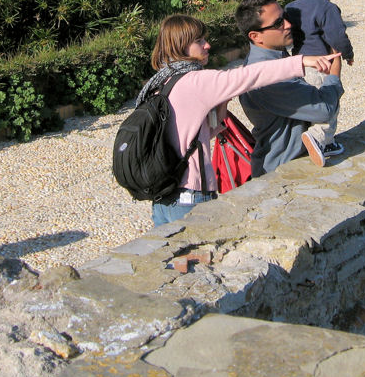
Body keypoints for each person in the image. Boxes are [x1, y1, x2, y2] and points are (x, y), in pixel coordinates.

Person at [140, 13, 337, 226]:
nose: (207, 45)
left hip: (162, 197)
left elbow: (197, 132)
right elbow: (249, 75)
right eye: (199, 41)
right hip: (190, 195)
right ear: (180, 46)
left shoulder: (160, 82)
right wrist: (300, 61)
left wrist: (221, 103)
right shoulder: (196, 81)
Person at [236, 0, 344, 177]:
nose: (288, 24)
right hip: (281, 170)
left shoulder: (271, 58)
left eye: (285, 17)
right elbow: (324, 109)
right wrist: (336, 69)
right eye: (278, 23)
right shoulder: (267, 77)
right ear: (255, 36)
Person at [285, 0, 351, 166]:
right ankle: (320, 137)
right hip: (321, 66)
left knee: (308, 105)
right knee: (328, 102)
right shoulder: (328, 8)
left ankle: (314, 140)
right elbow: (337, 37)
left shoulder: (291, 7)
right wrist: (348, 53)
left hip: (298, 64)